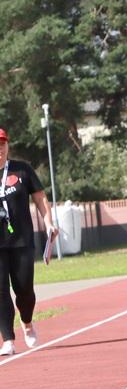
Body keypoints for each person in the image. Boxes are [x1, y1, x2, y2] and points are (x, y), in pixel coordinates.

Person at [0, 128, 59, 356]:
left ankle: (26, 321)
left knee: (24, 289)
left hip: (22, 241)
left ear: (8, 146)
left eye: (3, 144)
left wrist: (49, 222)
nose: (0, 149)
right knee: (1, 291)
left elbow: (40, 197)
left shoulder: (22, 169)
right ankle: (8, 339)